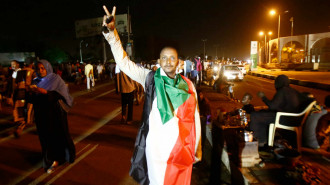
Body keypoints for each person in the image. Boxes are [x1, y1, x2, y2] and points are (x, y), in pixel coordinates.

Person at [102, 6, 201, 185]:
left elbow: (195, 118)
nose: (168, 61)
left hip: (181, 150)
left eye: (172, 58)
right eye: (164, 57)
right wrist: (112, 33)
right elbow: (124, 63)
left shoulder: (188, 85)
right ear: (159, 62)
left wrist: (197, 148)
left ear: (179, 63)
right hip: (155, 150)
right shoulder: (150, 78)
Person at [28, 60, 75, 173]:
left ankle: (58, 159)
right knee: (44, 138)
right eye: (38, 68)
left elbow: (61, 95)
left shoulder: (56, 79)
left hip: (55, 115)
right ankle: (49, 159)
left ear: (47, 68)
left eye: (42, 68)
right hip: (41, 114)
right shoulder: (35, 81)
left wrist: (44, 92)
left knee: (57, 136)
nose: (40, 71)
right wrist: (30, 92)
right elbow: (32, 100)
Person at [250, 74, 306, 148]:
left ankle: (261, 141)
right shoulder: (294, 91)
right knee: (263, 113)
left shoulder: (282, 91)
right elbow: (308, 99)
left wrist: (263, 97)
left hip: (284, 119)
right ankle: (265, 139)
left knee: (255, 116)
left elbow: (272, 106)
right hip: (295, 119)